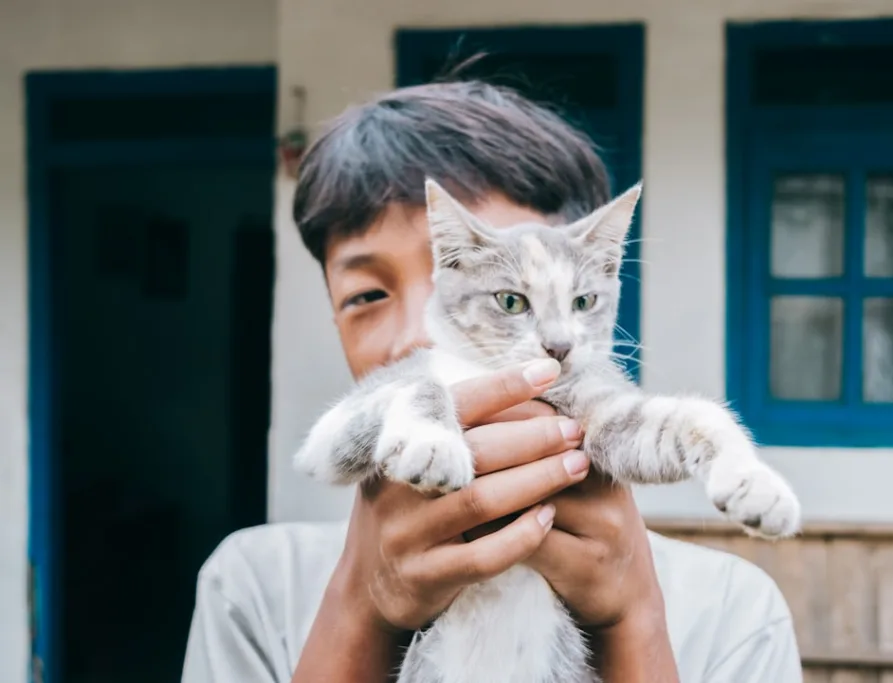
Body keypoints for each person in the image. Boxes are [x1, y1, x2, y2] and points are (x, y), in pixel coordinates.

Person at [180, 79, 802, 683]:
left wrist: (632, 616)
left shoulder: (733, 611)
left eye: (574, 299)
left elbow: (630, 425)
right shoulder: (252, 587)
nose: (419, 333)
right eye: (368, 294)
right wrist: (361, 606)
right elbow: (323, 450)